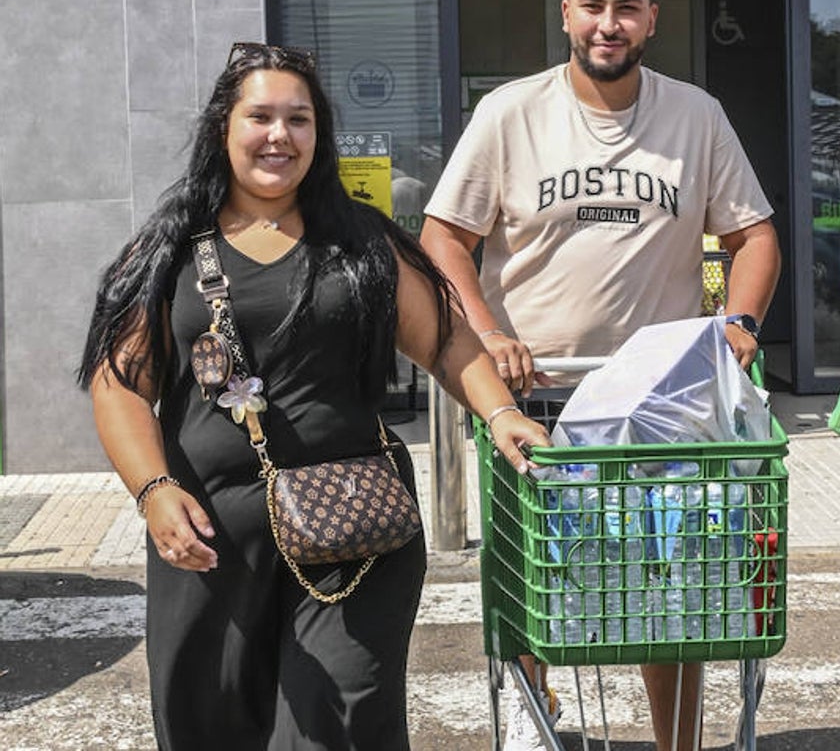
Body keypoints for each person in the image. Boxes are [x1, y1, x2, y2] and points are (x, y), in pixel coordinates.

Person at [78, 41, 548, 750]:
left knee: (339, 721)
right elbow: (119, 383)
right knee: (209, 721)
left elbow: (447, 340)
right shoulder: (170, 250)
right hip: (208, 537)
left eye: (299, 119)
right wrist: (152, 491)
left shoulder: (363, 244)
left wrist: (502, 411)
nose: (280, 136)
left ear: (319, 134)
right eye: (260, 116)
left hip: (355, 526)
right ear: (222, 129)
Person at [419, 0, 780, 751]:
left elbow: (754, 236)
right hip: (537, 393)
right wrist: (488, 333)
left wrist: (740, 323)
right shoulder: (511, 113)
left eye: (625, 9)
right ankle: (532, 713)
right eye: (593, 7)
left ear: (652, 19)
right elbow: (443, 238)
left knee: (668, 588)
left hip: (665, 404)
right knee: (535, 582)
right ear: (565, 16)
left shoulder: (696, 115)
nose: (607, 24)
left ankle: (675, 742)